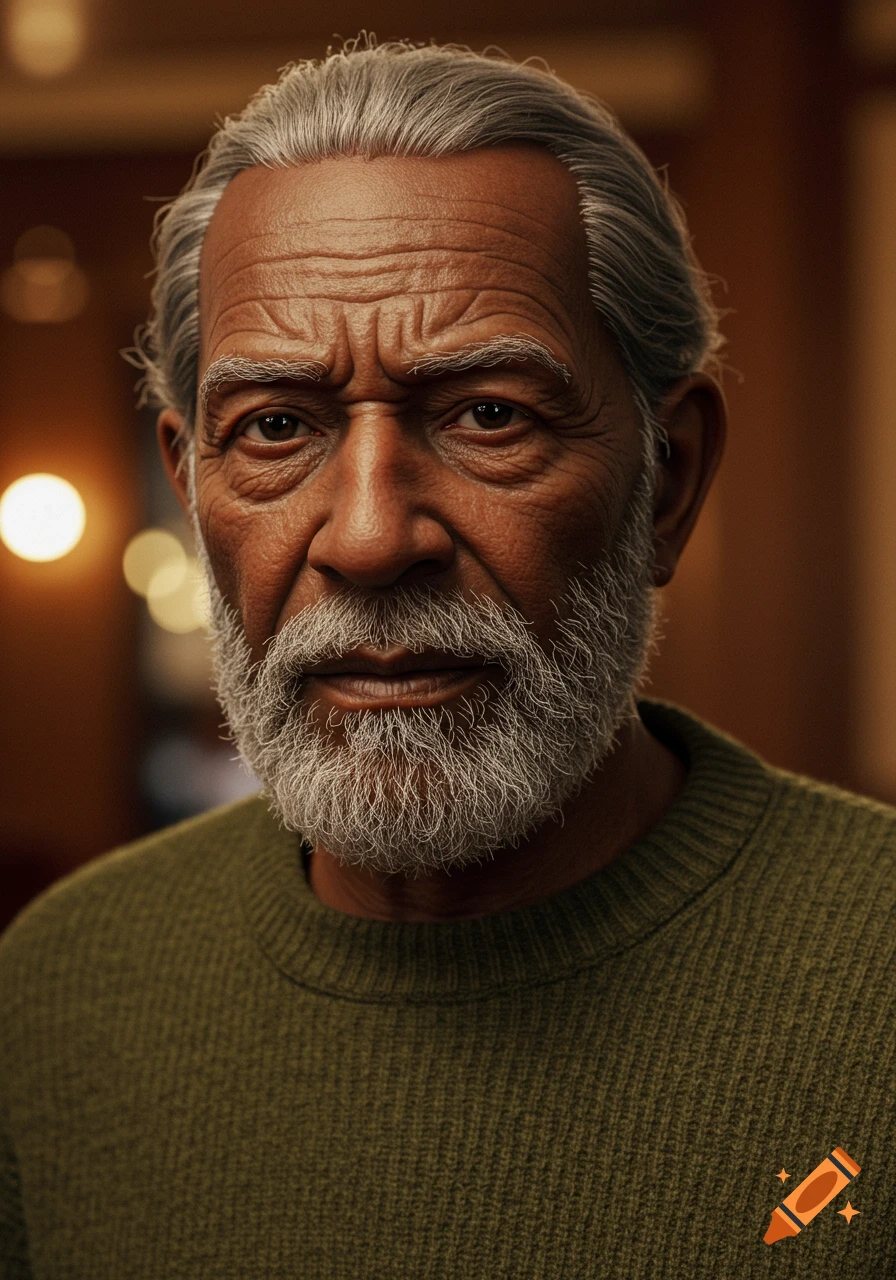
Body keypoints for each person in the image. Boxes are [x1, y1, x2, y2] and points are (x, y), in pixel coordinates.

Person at [1, 39, 893, 1279]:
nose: (369, 537)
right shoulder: (59, 992)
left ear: (667, 480)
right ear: (191, 486)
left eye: (487, 415)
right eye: (275, 428)